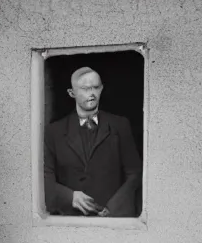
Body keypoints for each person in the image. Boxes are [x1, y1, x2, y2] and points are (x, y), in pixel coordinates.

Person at [44, 66, 142, 217]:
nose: (91, 93)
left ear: (101, 89)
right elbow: (43, 176)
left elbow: (134, 173)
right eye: (85, 88)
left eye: (96, 87)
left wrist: (113, 208)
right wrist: (69, 197)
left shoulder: (120, 126)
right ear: (72, 93)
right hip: (68, 220)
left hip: (111, 219)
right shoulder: (54, 132)